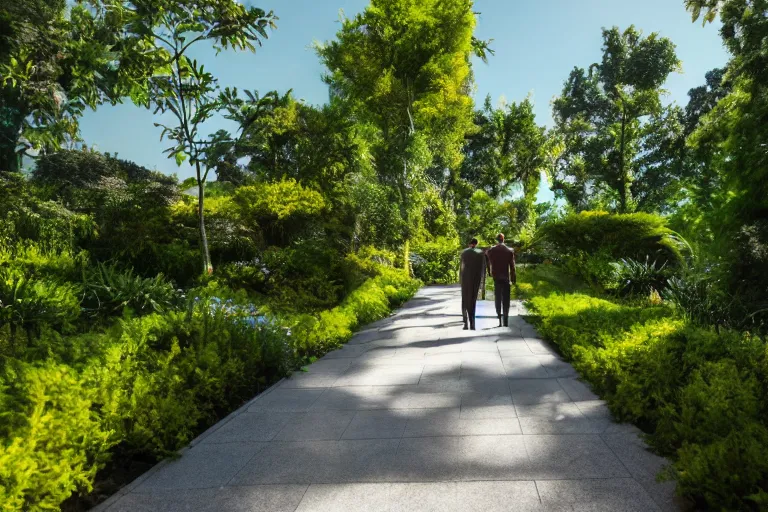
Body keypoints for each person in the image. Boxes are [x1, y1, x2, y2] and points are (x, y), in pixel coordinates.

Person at [486, 233, 516, 327]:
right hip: (506, 278)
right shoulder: (509, 251)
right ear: (504, 239)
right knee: (506, 299)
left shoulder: (491, 250)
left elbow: (487, 259)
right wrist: (513, 279)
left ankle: (499, 319)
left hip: (496, 278)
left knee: (498, 298)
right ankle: (506, 320)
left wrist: (489, 272)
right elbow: (512, 267)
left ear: (496, 240)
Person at [459, 237, 486, 330]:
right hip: (476, 279)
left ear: (469, 243)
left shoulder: (464, 252)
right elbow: (483, 269)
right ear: (476, 243)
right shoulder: (481, 253)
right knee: (473, 301)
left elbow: (461, 267)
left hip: (465, 278)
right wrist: (482, 282)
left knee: (464, 300)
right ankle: (473, 324)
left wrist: (460, 280)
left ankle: (465, 323)